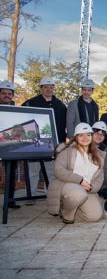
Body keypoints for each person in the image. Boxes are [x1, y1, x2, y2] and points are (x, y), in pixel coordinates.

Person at [47, 123, 105, 224]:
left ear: (91, 136)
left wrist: (91, 187)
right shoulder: (67, 151)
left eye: (88, 134)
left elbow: (100, 177)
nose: (85, 137)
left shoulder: (99, 155)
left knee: (94, 216)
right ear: (76, 137)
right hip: (68, 185)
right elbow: (59, 170)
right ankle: (67, 212)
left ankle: (73, 207)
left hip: (87, 189)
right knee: (78, 194)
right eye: (81, 135)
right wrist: (80, 181)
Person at [22, 77, 67, 196]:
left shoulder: (60, 105)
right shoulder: (30, 103)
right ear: (41, 88)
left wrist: (61, 143)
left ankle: (51, 195)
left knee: (51, 171)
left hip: (52, 145)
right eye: (46, 87)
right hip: (34, 144)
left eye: (51, 87)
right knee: (33, 171)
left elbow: (63, 125)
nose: (49, 89)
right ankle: (30, 195)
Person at [0, 80, 19, 208]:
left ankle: (10, 201)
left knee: (12, 172)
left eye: (9, 93)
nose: (7, 95)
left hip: (10, 145)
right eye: (4, 93)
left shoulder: (14, 108)